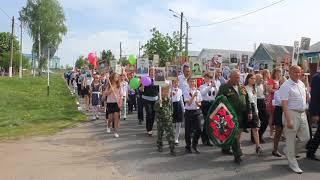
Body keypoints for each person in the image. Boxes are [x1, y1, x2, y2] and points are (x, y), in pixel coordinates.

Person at [279, 65, 310, 174]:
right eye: (295, 72)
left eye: (299, 72)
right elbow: (284, 104)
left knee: (305, 138)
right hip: (291, 113)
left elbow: (305, 97)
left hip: (302, 113)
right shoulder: (285, 86)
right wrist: (289, 120)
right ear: (290, 73)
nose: (298, 74)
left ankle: (289, 151)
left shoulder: (301, 83)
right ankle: (293, 163)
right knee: (290, 140)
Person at [217, 69, 251, 164]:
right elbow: (218, 101)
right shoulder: (224, 87)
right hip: (229, 116)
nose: (238, 79)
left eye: (239, 77)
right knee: (234, 134)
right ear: (230, 77)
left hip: (241, 115)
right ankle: (238, 154)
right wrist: (224, 114)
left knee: (234, 134)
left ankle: (225, 148)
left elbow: (247, 100)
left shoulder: (242, 87)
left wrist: (249, 112)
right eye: (236, 77)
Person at [154, 84, 176, 156]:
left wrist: (170, 115)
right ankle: (159, 145)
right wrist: (159, 103)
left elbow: (172, 108)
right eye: (165, 91)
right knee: (160, 134)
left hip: (168, 119)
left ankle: (172, 148)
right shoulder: (159, 100)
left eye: (167, 91)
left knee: (171, 134)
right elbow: (155, 109)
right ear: (161, 92)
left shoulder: (169, 99)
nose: (166, 93)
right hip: (160, 120)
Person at [244, 73, 263, 155]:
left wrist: (256, 111)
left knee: (255, 128)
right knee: (241, 129)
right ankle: (237, 146)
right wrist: (249, 111)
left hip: (254, 109)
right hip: (247, 110)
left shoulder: (254, 88)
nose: (253, 80)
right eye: (251, 78)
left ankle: (258, 146)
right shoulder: (244, 88)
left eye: (254, 78)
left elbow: (255, 101)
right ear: (248, 79)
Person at [183, 78, 202, 154]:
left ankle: (194, 145)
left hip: (196, 111)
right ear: (188, 82)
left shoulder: (198, 91)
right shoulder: (186, 91)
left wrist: (198, 103)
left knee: (199, 129)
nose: (192, 82)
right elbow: (189, 103)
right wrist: (194, 96)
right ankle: (188, 146)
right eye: (190, 81)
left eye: (193, 81)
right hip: (188, 112)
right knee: (188, 130)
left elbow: (200, 103)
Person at [140, 67, 159, 136]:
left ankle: (150, 127)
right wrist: (142, 84)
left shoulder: (157, 79)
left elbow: (159, 89)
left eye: (154, 71)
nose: (152, 72)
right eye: (151, 71)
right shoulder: (145, 79)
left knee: (153, 114)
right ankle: (149, 129)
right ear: (149, 72)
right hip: (147, 99)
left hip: (155, 99)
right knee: (149, 113)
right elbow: (142, 90)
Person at [199, 71, 216, 147]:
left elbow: (216, 93)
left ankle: (207, 138)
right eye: (207, 77)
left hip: (212, 103)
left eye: (210, 77)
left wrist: (215, 87)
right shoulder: (202, 86)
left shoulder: (213, 85)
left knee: (211, 122)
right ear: (205, 78)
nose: (209, 79)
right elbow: (203, 93)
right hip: (205, 104)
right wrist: (210, 86)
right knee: (207, 121)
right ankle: (205, 138)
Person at [272, 76, 287, 157]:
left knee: (289, 132)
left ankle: (291, 151)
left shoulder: (289, 91)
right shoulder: (277, 92)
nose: (284, 84)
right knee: (278, 131)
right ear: (280, 84)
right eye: (282, 83)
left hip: (287, 111)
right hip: (279, 111)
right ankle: (275, 150)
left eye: (285, 83)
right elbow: (280, 102)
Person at [306, 71, 320, 161]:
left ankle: (310, 150)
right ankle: (310, 151)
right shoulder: (317, 78)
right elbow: (315, 96)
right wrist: (315, 113)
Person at [104, 73, 123, 138]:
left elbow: (121, 95)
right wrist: (110, 91)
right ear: (112, 78)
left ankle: (115, 132)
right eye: (115, 77)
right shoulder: (109, 85)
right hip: (110, 103)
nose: (116, 78)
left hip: (117, 103)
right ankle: (108, 125)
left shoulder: (119, 86)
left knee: (116, 117)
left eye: (117, 77)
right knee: (110, 118)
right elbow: (105, 94)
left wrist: (120, 103)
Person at [266, 68, 281, 138]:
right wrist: (278, 91)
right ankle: (271, 132)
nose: (279, 74)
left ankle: (277, 132)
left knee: (277, 116)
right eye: (277, 72)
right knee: (272, 115)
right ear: (274, 73)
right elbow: (269, 90)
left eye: (280, 72)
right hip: (273, 99)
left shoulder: (280, 80)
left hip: (279, 100)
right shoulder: (271, 80)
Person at [255, 73, 268, 143]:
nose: (261, 80)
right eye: (260, 78)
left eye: (262, 78)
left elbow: (265, 93)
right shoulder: (254, 86)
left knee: (265, 120)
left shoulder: (262, 85)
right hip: (256, 102)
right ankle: (255, 137)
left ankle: (260, 134)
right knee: (256, 121)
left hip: (262, 102)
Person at [171, 79, 183, 145]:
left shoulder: (180, 90)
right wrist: (171, 94)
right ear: (172, 83)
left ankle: (176, 138)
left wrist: (183, 109)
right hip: (172, 106)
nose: (176, 84)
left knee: (178, 123)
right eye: (174, 82)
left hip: (178, 107)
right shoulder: (170, 90)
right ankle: (172, 136)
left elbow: (181, 100)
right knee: (172, 123)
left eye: (177, 82)